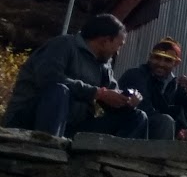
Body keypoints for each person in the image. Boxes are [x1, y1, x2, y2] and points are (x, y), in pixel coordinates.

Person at [2, 14, 149, 139]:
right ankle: (46, 148)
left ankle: (116, 167)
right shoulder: (62, 45)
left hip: (75, 127)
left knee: (137, 117)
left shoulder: (104, 65)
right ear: (104, 41)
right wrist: (97, 93)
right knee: (58, 90)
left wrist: (127, 100)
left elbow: (110, 96)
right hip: (29, 120)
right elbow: (49, 79)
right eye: (119, 45)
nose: (118, 52)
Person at [118, 37, 187, 140]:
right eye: (157, 58)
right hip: (131, 129)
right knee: (165, 121)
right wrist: (176, 131)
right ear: (150, 57)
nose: (161, 64)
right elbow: (143, 108)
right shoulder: (136, 76)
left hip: (158, 133)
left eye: (167, 60)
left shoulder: (175, 86)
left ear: (176, 63)